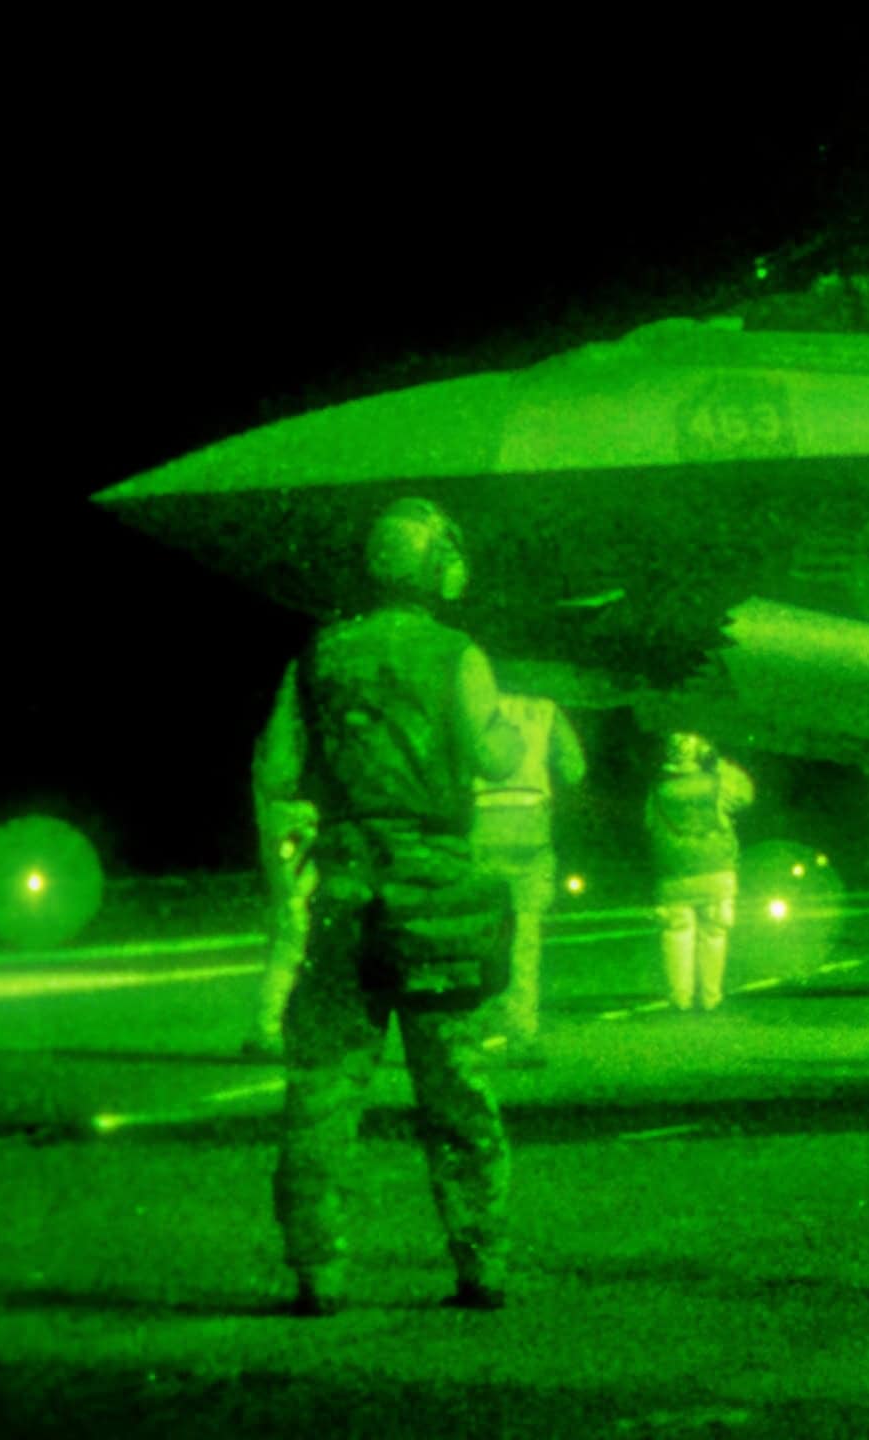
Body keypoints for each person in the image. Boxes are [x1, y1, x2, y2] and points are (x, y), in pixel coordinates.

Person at [256, 497, 525, 1317]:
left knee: (324, 1090)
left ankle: (320, 1274)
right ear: (436, 565)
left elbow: (276, 770)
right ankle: (481, 1267)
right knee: (456, 1089)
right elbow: (495, 752)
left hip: (346, 895)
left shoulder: (316, 657)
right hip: (436, 895)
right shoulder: (456, 654)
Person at [473, 692, 588, 1067]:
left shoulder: (472, 698)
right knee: (525, 938)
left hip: (480, 825)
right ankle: (521, 1035)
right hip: (530, 829)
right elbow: (574, 769)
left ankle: (471, 1027)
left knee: (476, 935)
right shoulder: (545, 709)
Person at [645, 732, 754, 1012]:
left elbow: (649, 825)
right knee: (714, 933)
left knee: (676, 934)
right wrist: (717, 762)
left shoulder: (658, 790)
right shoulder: (717, 785)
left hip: (673, 873)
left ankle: (680, 999)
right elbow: (746, 793)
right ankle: (710, 997)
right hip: (716, 870)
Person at [240, 784, 318, 1062]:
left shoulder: (278, 815)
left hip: (290, 891)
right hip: (298, 894)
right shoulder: (295, 817)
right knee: (290, 955)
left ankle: (270, 1030)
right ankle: (266, 1030)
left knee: (288, 955)